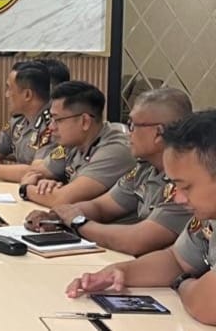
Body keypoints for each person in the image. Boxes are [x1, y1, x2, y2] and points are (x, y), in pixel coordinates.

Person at [65, 111, 216, 326]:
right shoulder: (209, 215)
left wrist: (183, 283)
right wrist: (120, 271)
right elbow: (176, 260)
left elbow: (207, 305)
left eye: (186, 187)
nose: (178, 198)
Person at [25, 88, 193, 255]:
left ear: (159, 133)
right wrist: (57, 217)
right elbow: (101, 207)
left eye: (133, 125)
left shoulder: (186, 181)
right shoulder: (145, 168)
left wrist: (78, 223)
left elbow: (137, 241)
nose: (129, 134)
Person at [18, 81, 134, 207]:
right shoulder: (73, 143)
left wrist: (26, 188)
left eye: (57, 120)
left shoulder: (115, 150)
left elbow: (61, 199)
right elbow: (35, 172)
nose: (51, 127)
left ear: (85, 121)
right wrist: (46, 183)